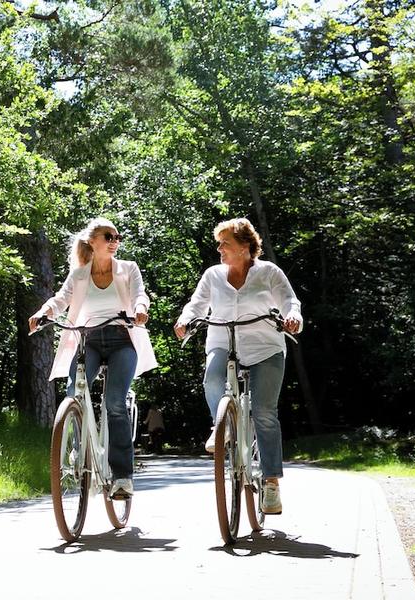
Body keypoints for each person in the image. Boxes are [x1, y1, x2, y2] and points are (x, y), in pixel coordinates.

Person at [173, 217, 302, 514]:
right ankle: (221, 426)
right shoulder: (213, 275)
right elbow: (196, 304)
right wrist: (185, 319)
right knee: (212, 379)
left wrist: (293, 318)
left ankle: (270, 484)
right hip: (223, 342)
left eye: (225, 244)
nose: (220, 249)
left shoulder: (268, 273)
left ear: (245, 247)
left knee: (264, 413)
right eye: (219, 244)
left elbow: (290, 302)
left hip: (265, 347)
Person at [29, 217, 158, 499]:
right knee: (73, 394)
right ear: (93, 242)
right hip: (88, 341)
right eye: (108, 236)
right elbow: (60, 300)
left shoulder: (128, 269)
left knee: (114, 404)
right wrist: (43, 313)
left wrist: (140, 308)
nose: (114, 241)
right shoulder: (79, 275)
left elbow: (140, 294)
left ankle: (122, 477)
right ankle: (78, 449)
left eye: (116, 237)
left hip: (122, 340)